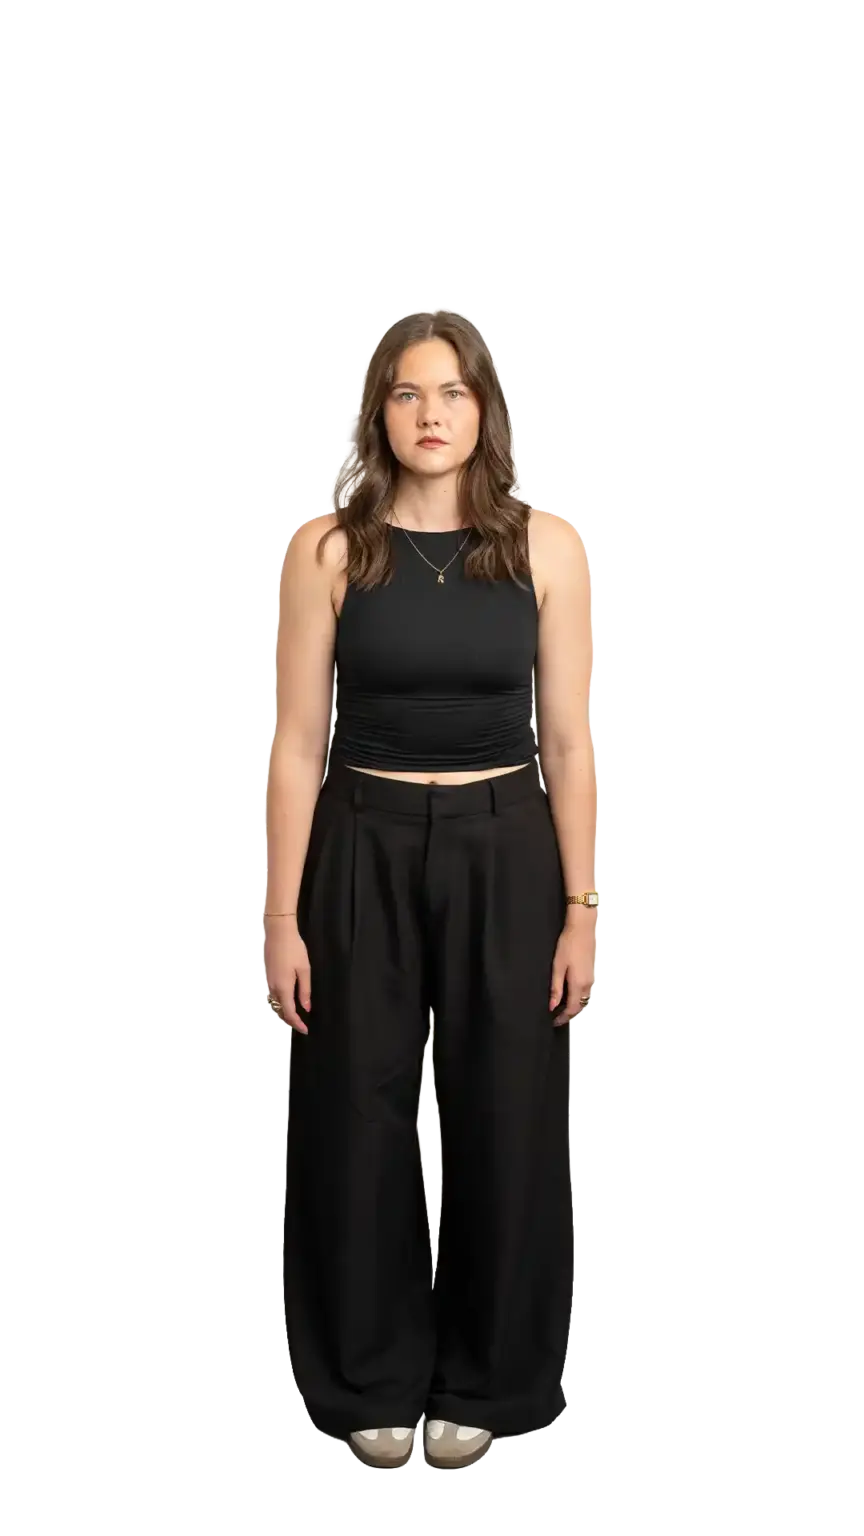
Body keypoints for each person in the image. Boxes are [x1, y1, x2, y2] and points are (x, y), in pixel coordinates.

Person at [265, 309, 598, 1469]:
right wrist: (280, 917)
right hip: (359, 839)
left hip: (508, 846)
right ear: (379, 414)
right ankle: (366, 1376)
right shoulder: (327, 550)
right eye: (407, 394)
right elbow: (296, 745)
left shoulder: (547, 546)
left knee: (508, 1112)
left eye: (453, 393)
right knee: (352, 1113)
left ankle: (492, 1382)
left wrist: (582, 910)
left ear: (485, 411)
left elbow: (571, 742)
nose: (431, 415)